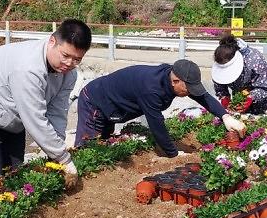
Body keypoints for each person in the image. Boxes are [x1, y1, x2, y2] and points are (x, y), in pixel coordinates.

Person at [0, 19, 92, 192]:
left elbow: (58, 112)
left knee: (14, 176)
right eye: (65, 55)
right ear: (52, 41)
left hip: (9, 114)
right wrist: (64, 158)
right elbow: (35, 120)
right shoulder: (28, 68)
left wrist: (57, 151)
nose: (69, 64)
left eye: (77, 59)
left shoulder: (69, 75)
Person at [76, 58, 246, 156]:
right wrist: (174, 153)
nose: (190, 93)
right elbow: (156, 124)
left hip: (114, 103)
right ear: (175, 81)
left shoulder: (175, 78)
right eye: (188, 89)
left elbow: (203, 96)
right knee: (89, 148)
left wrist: (225, 116)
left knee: (104, 142)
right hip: (94, 101)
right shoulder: (151, 89)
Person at [211, 34, 267, 114]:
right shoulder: (220, 60)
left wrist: (251, 97)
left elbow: (266, 87)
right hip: (240, 91)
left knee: (263, 123)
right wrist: (224, 96)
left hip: (265, 93)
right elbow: (219, 81)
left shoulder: (253, 59)